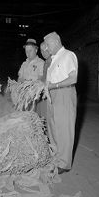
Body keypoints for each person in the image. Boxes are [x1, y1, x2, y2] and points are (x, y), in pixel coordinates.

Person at [44, 31, 78, 174]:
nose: (46, 48)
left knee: (64, 129)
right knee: (53, 127)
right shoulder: (53, 59)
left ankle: (64, 163)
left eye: (48, 44)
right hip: (52, 94)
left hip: (64, 93)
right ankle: (55, 158)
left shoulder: (68, 55)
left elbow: (73, 78)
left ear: (56, 42)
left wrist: (54, 86)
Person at [36, 41, 52, 119]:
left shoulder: (53, 60)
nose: (43, 52)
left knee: (47, 115)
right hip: (43, 90)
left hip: (50, 92)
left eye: (45, 49)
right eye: (41, 51)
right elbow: (44, 77)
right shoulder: (46, 62)